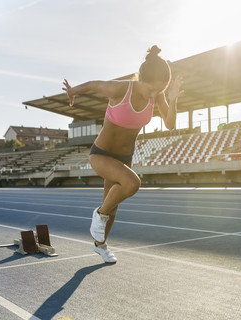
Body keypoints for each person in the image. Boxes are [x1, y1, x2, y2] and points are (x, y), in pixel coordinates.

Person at [62, 45, 184, 263]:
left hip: (124, 159)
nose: (154, 95)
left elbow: (170, 124)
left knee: (114, 207)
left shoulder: (157, 96)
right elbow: (93, 84)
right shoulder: (121, 90)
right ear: (141, 80)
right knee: (132, 184)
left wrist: (172, 99)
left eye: (159, 91)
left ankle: (100, 245)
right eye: (152, 90)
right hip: (101, 154)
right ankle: (99, 214)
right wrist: (73, 92)